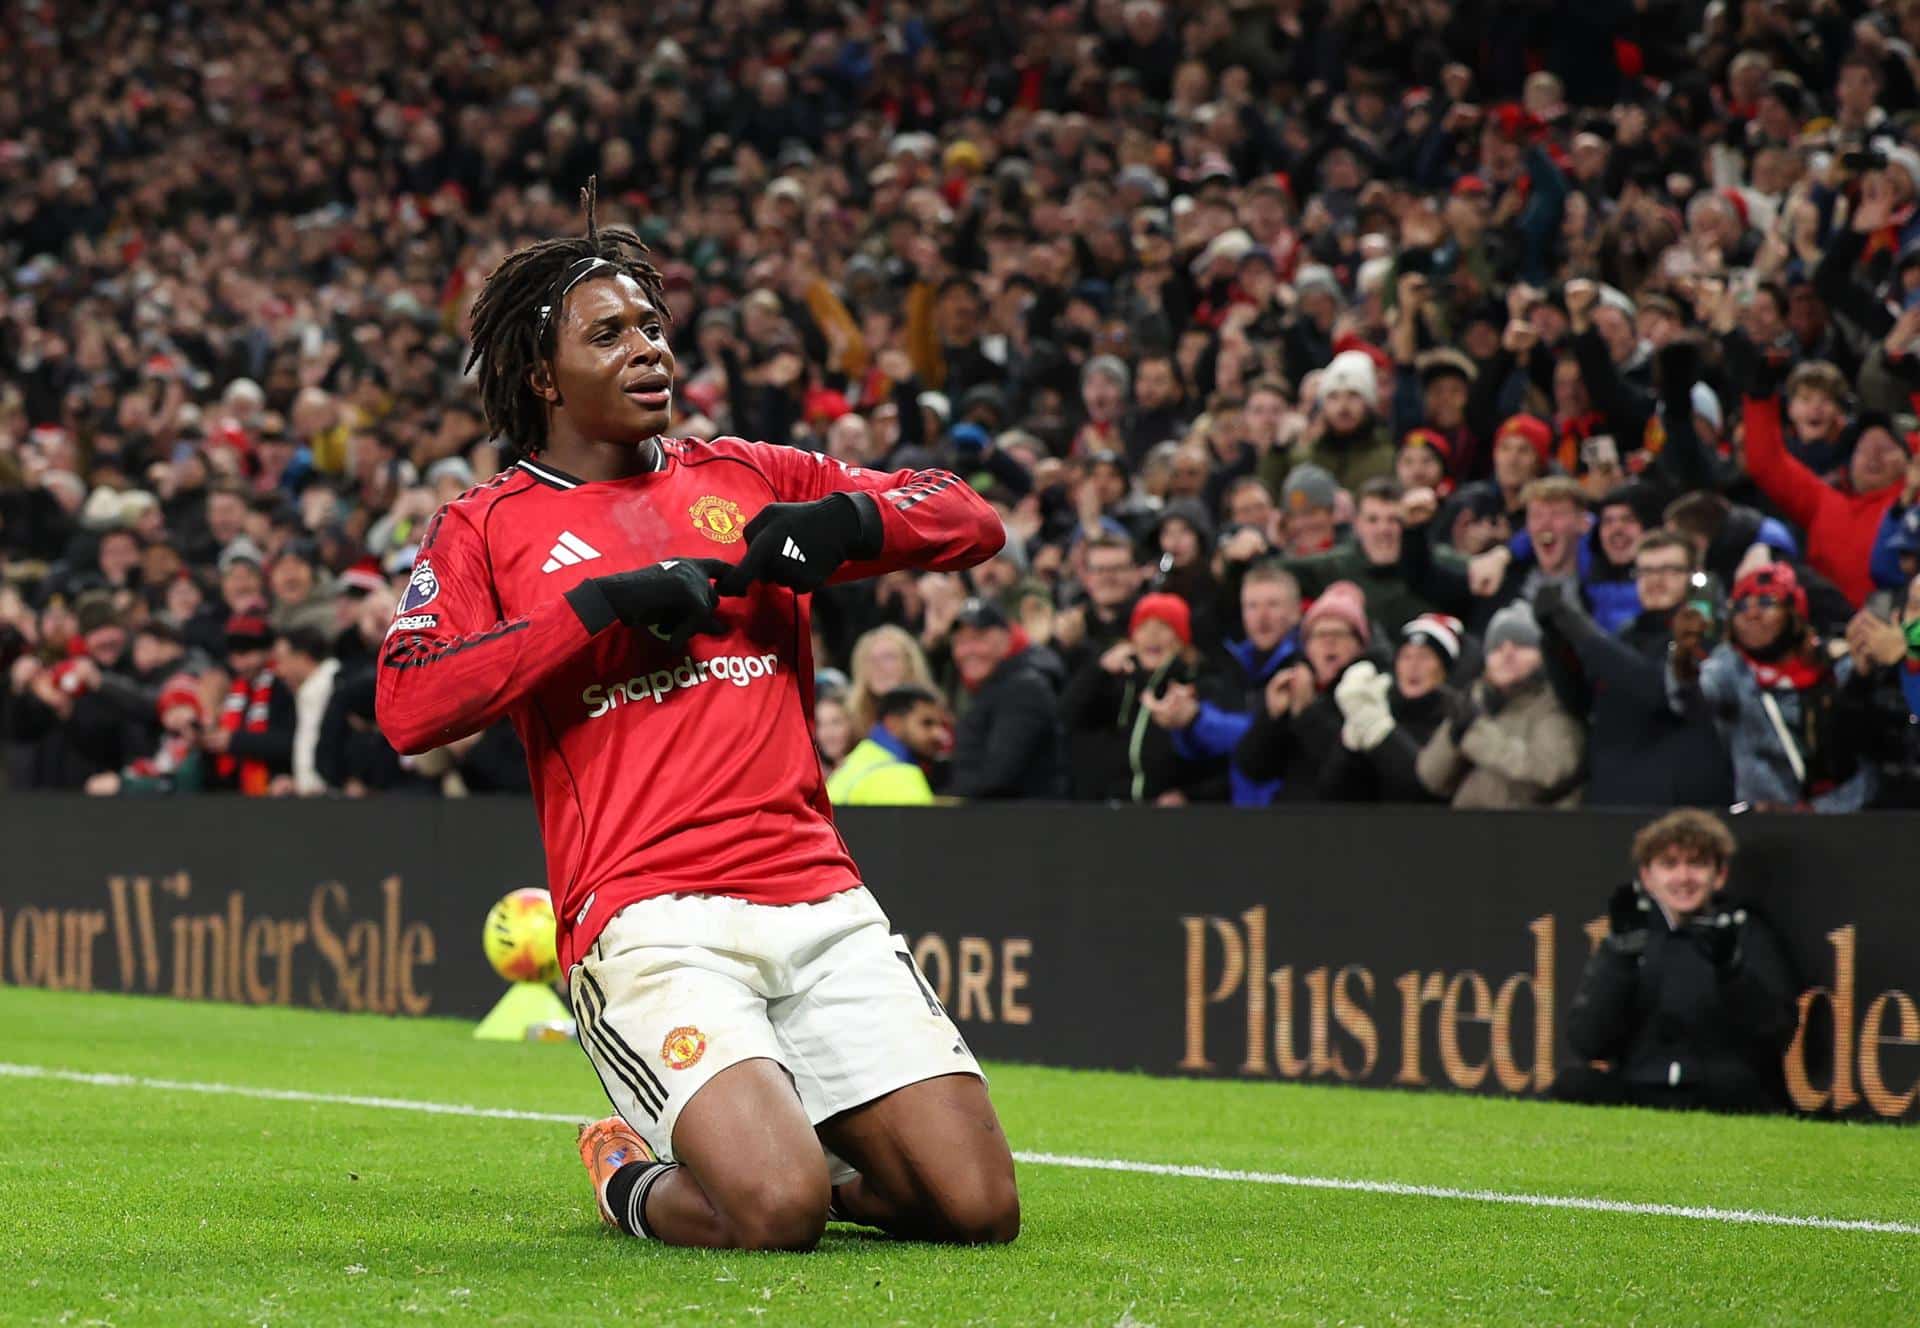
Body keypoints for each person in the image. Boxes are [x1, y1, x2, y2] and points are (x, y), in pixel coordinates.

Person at [375, 190, 1018, 1252]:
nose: (649, 350)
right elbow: (409, 703)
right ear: (544, 377)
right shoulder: (484, 525)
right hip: (647, 915)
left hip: (816, 892)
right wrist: (597, 609)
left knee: (976, 1208)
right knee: (774, 1211)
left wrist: (847, 517)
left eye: (654, 327)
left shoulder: (743, 474)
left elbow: (968, 516)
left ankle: (786, 1136)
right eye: (610, 334)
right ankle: (629, 1167)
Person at [1557, 809, 1797, 1113]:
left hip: (1726, 1095)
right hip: (1639, 1093)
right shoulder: (1630, 938)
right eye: (1669, 865)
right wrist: (1621, 958)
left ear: (1719, 874)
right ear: (1647, 876)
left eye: (1696, 864)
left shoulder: (1748, 932)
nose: (1683, 877)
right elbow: (1587, 1042)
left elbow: (1778, 1031)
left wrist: (1731, 971)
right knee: (1573, 1084)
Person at [1533, 533, 1733, 808]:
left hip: (1676, 808)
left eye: (1670, 570)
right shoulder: (1623, 637)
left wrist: (1579, 628)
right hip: (1610, 803)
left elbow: (1660, 691)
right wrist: (1553, 639)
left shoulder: (1708, 636)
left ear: (1694, 576)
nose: (1655, 580)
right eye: (1645, 570)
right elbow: (1578, 702)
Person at [1669, 561, 1875, 813]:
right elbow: (1691, 701)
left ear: (1794, 611)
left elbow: (1865, 732)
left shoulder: (1832, 663)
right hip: (1766, 821)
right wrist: (1682, 662)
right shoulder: (1730, 666)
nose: (1752, 614)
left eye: (1766, 602)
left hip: (1846, 816)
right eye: (1742, 605)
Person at [1416, 600, 1585, 807]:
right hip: (1468, 827)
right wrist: (1452, 737)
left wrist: (1474, 733)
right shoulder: (1475, 698)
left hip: (1530, 830)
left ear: (1544, 655)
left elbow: (1549, 774)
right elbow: (1432, 778)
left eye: (1521, 644)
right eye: (1497, 647)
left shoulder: (1554, 703)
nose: (1507, 654)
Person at [1063, 591, 1228, 804]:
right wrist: (1099, 671)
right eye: (1143, 628)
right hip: (1111, 812)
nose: (1152, 636)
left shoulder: (1199, 687)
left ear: (1181, 640)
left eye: (1163, 627)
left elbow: (1223, 762)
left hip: (1174, 818)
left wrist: (1191, 796)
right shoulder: (1117, 684)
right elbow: (1067, 717)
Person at [1231, 580, 1371, 799]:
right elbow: (1253, 769)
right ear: (1307, 647)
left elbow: (1349, 777)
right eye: (1319, 635)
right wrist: (1272, 717)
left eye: (1339, 633)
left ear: (1359, 644)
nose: (1329, 642)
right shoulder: (1293, 689)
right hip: (1292, 821)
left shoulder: (1372, 693)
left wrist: (1306, 713)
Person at [1322, 613, 1463, 803]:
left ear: (1443, 668)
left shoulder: (1456, 716)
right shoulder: (1378, 704)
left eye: (1425, 657)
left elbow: (1424, 785)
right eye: (1406, 656)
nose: (1413, 666)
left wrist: (1377, 728)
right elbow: (1332, 793)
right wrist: (1350, 745)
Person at [944, 598, 1066, 799]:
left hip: (1025, 822)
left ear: (1008, 638)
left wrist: (945, 799)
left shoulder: (1025, 689)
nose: (968, 651)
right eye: (960, 642)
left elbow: (998, 775)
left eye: (978, 639)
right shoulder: (991, 686)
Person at [825, 684, 942, 806]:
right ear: (893, 723)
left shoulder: (858, 758)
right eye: (927, 723)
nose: (938, 734)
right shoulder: (900, 777)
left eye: (940, 724)